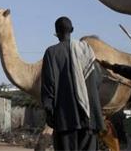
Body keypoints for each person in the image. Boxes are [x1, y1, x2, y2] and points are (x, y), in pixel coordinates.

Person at [40, 17, 104, 151]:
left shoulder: (51, 53)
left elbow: (48, 86)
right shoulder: (86, 51)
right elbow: (97, 80)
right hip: (89, 118)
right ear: (72, 30)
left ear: (56, 32)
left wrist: (49, 113)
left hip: (65, 120)